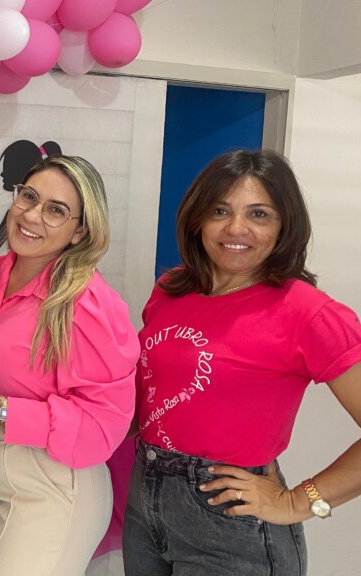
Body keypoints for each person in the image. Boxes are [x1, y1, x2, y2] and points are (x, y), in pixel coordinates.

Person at [122, 150, 361, 575]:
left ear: (284, 224)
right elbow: (149, 399)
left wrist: (299, 501)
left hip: (231, 523)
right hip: (144, 501)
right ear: (197, 219)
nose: (236, 228)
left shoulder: (307, 312)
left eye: (259, 214)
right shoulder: (172, 290)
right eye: (220, 210)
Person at [0, 155, 138, 575]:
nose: (32, 215)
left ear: (80, 231)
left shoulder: (88, 304)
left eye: (55, 210)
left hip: (50, 481)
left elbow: (103, 426)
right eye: (29, 197)